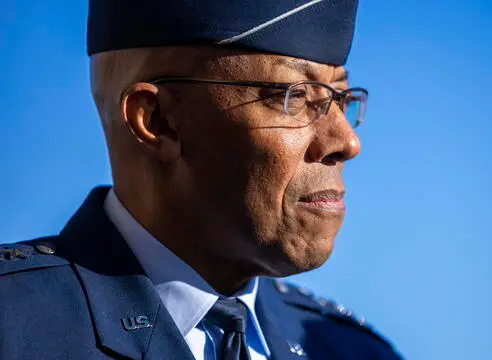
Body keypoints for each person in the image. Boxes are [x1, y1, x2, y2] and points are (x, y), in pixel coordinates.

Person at [0, 1, 403, 359]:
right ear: (158, 121)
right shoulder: (14, 327)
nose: (347, 142)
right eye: (295, 97)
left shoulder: (351, 350)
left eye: (342, 100)